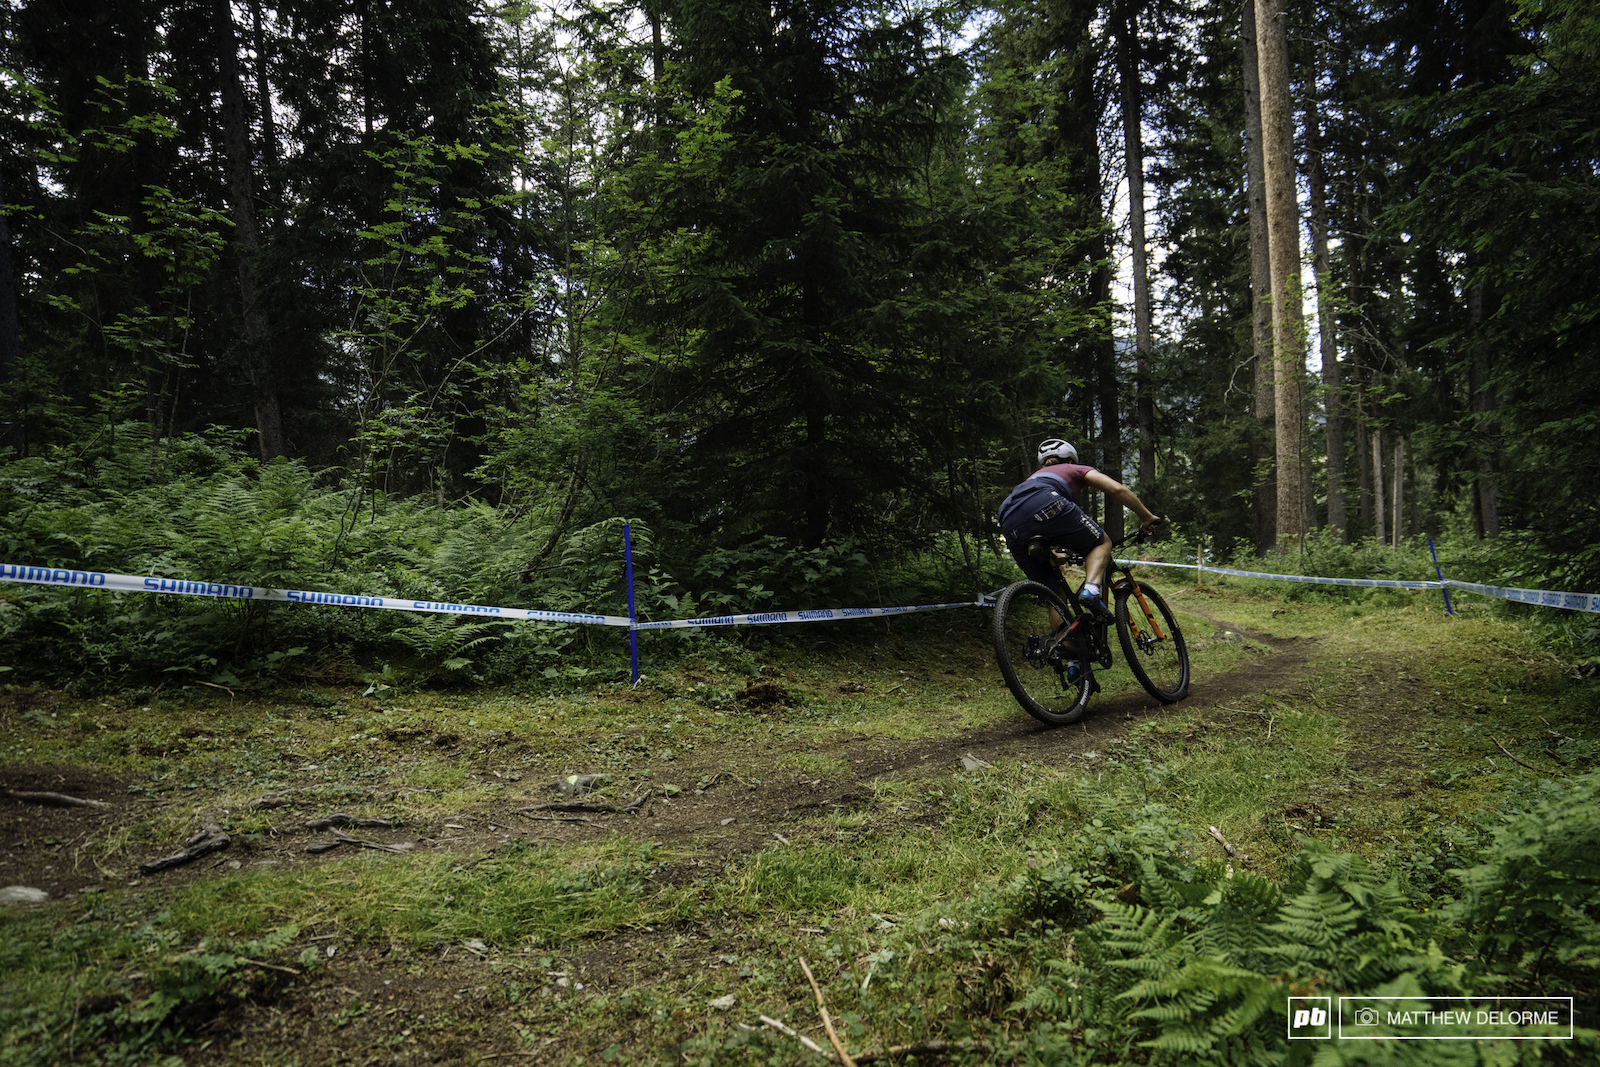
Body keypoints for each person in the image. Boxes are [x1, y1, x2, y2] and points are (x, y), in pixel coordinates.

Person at [997, 437, 1163, 616]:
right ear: (1069, 459)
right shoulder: (1074, 468)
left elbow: (1030, 517)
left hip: (1007, 518)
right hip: (1046, 501)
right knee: (1101, 544)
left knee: (1055, 597)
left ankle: (1062, 643)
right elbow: (1117, 489)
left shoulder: (1032, 478)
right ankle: (1091, 591)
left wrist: (1049, 554)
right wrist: (1146, 517)